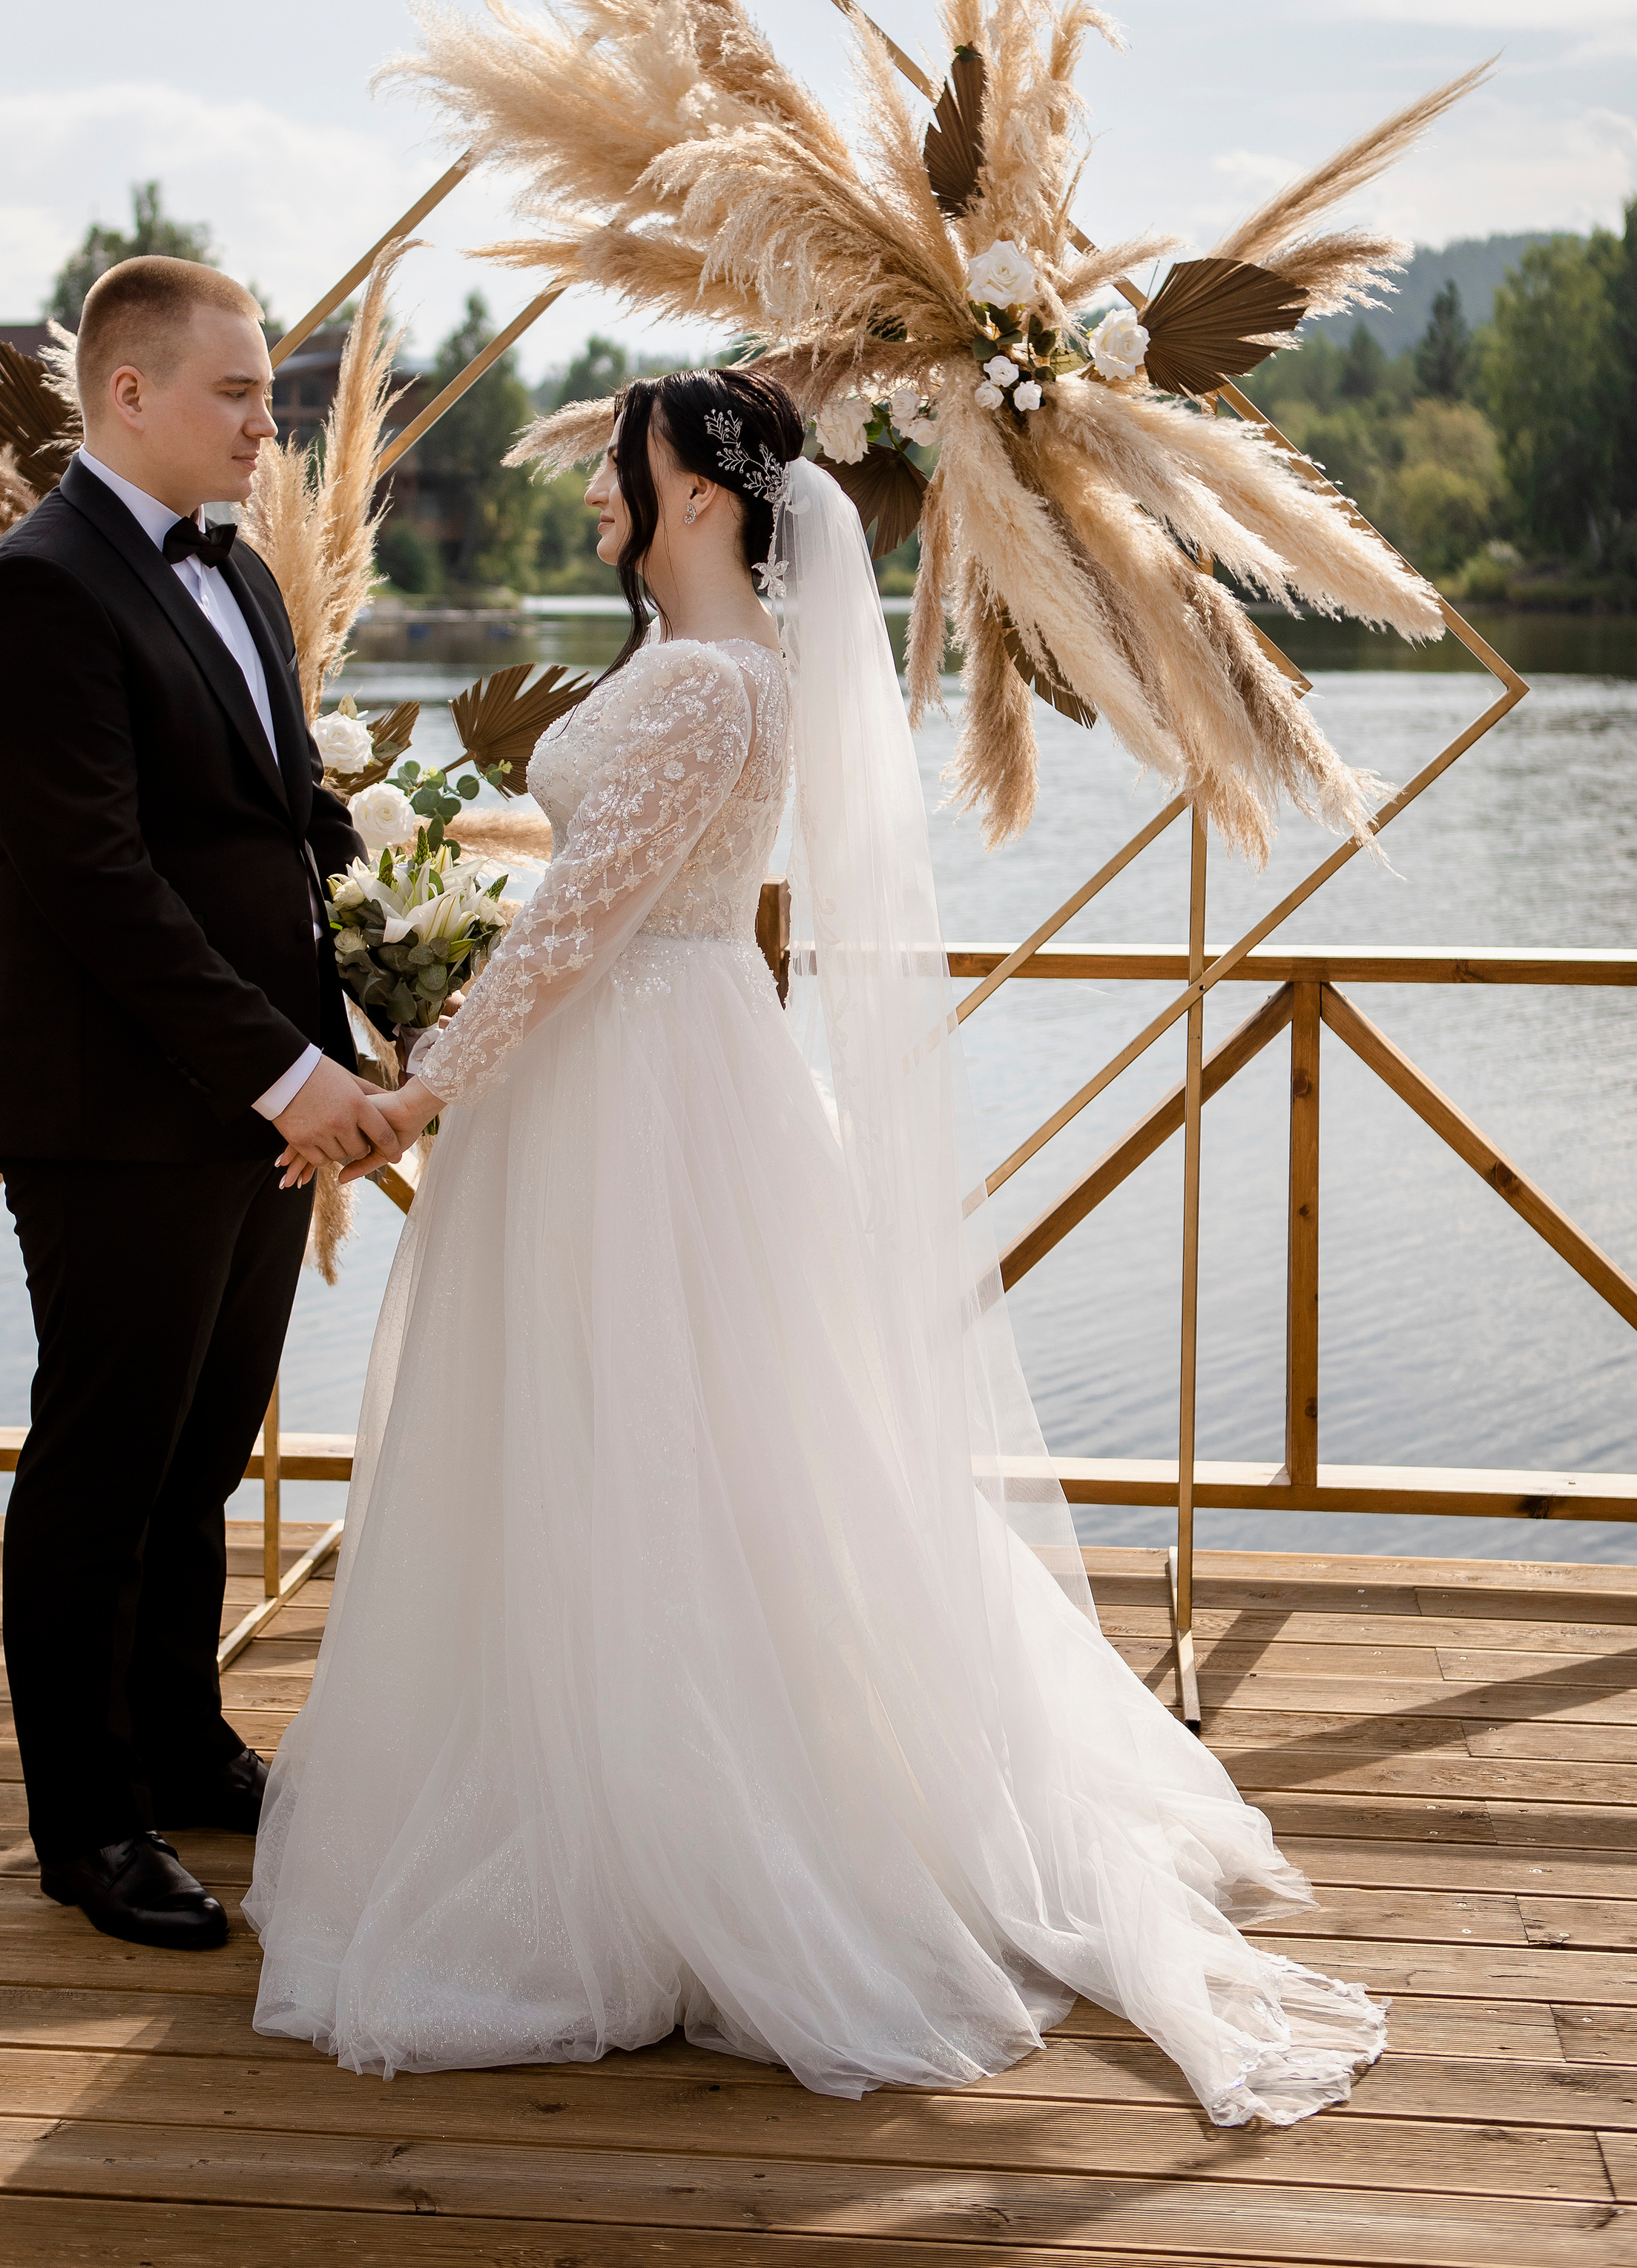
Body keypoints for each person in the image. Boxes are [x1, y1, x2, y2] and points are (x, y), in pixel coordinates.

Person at [244, 366, 1386, 2121]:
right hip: (623, 1070)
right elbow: (565, 901)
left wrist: (422, 1087)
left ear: (699, 490)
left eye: (621, 468)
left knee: (686, 1451)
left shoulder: (713, 687)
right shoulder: (695, 669)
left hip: (641, 1090)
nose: (598, 496)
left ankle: (696, 1841)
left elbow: (583, 917)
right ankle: (571, 1775)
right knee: (605, 1441)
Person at [0, 255, 404, 1952]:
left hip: (254, 1098)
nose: (261, 428)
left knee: (204, 1451)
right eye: (233, 395)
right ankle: (86, 1825)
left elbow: (280, 815)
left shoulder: (248, 582)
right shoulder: (38, 592)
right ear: (126, 394)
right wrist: (291, 1071)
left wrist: (407, 936)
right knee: (105, 1463)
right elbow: (93, 881)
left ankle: (183, 1742)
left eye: (270, 399)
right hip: (117, 1108)